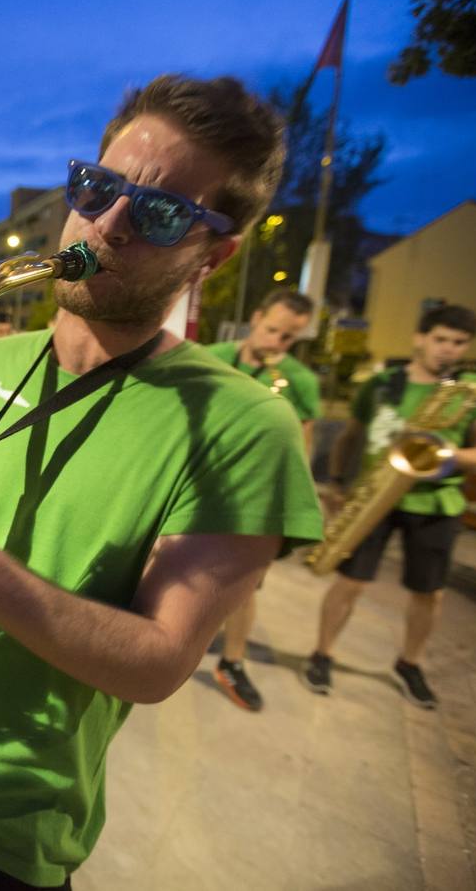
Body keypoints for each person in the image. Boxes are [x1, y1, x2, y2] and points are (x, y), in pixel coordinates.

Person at [0, 74, 322, 890]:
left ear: (210, 254)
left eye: (156, 213)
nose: (106, 224)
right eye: (95, 187)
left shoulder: (245, 427)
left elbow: (157, 662)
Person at [304, 304, 476, 709]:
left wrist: (435, 453)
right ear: (420, 338)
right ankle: (322, 653)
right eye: (441, 339)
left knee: (429, 593)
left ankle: (410, 663)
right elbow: (349, 437)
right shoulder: (381, 385)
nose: (449, 349)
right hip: (375, 495)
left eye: (459, 342)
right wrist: (338, 484)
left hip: (436, 501)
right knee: (351, 582)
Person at [202, 289, 320, 711]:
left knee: (243, 585)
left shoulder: (300, 381)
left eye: (288, 338)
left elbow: (302, 445)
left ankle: (232, 662)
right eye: (271, 329)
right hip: (203, 482)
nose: (275, 343)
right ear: (255, 317)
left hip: (256, 493)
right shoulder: (209, 356)